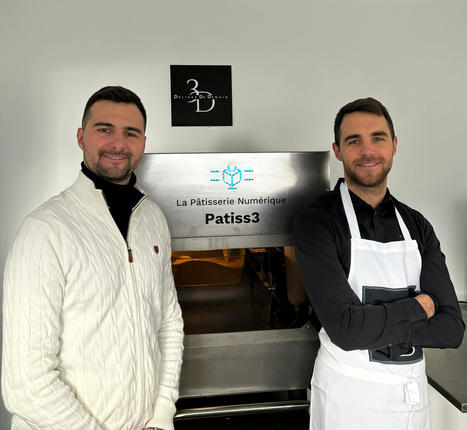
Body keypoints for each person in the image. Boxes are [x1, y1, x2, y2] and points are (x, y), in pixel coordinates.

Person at [2, 86, 184, 430]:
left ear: (143, 141)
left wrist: (160, 416)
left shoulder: (153, 219)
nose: (118, 143)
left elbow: (168, 325)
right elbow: (27, 383)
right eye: (104, 130)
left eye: (130, 133)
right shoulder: (44, 229)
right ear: (81, 137)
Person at [294, 97, 464, 430]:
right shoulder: (318, 222)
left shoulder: (417, 225)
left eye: (378, 138)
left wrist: (369, 320)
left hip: (410, 399)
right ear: (338, 150)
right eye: (353, 141)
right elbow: (346, 330)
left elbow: (451, 329)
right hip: (349, 401)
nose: (367, 151)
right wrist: (420, 305)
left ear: (394, 146)